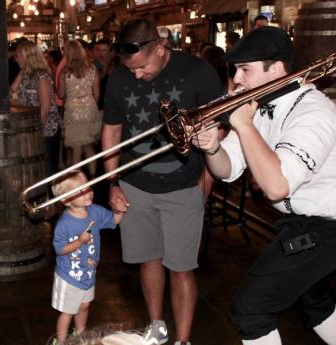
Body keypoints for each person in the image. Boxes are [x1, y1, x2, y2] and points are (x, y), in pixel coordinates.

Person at [191, 26, 336, 345]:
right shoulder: (260, 106)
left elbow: (277, 187)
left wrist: (243, 124)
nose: (236, 79)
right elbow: (227, 169)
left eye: (245, 70)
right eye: (235, 70)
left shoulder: (315, 114)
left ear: (275, 69)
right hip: (301, 220)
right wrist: (212, 148)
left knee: (251, 310)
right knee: (312, 300)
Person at [102, 19, 222, 345]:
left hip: (184, 184)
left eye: (142, 67)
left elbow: (218, 128)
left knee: (182, 267)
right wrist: (112, 183)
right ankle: (156, 324)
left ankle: (183, 340)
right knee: (148, 258)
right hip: (134, 184)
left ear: (160, 47)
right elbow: (112, 131)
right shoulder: (117, 79)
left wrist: (208, 177)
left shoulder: (198, 72)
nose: (137, 75)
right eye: (131, 70)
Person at [51, 170, 124, 344]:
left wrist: (120, 211)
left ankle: (80, 336)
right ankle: (61, 341)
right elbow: (60, 249)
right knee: (68, 311)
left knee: (84, 306)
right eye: (80, 190)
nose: (88, 192)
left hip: (88, 274)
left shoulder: (95, 212)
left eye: (87, 187)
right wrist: (79, 242)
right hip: (69, 276)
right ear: (67, 200)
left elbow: (113, 220)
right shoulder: (64, 224)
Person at [11, 41, 62, 176]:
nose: (15, 59)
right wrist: (22, 72)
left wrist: (36, 132)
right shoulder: (26, 75)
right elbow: (10, 93)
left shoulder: (42, 76)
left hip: (46, 130)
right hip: (30, 128)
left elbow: (45, 109)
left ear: (27, 56)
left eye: (18, 55)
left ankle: (52, 196)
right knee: (35, 170)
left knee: (48, 170)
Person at [58, 40, 102, 177]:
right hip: (90, 109)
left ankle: (76, 181)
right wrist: (88, 104)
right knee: (89, 146)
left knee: (76, 148)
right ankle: (93, 178)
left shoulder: (65, 72)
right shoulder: (92, 69)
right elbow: (97, 94)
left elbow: (60, 94)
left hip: (72, 111)